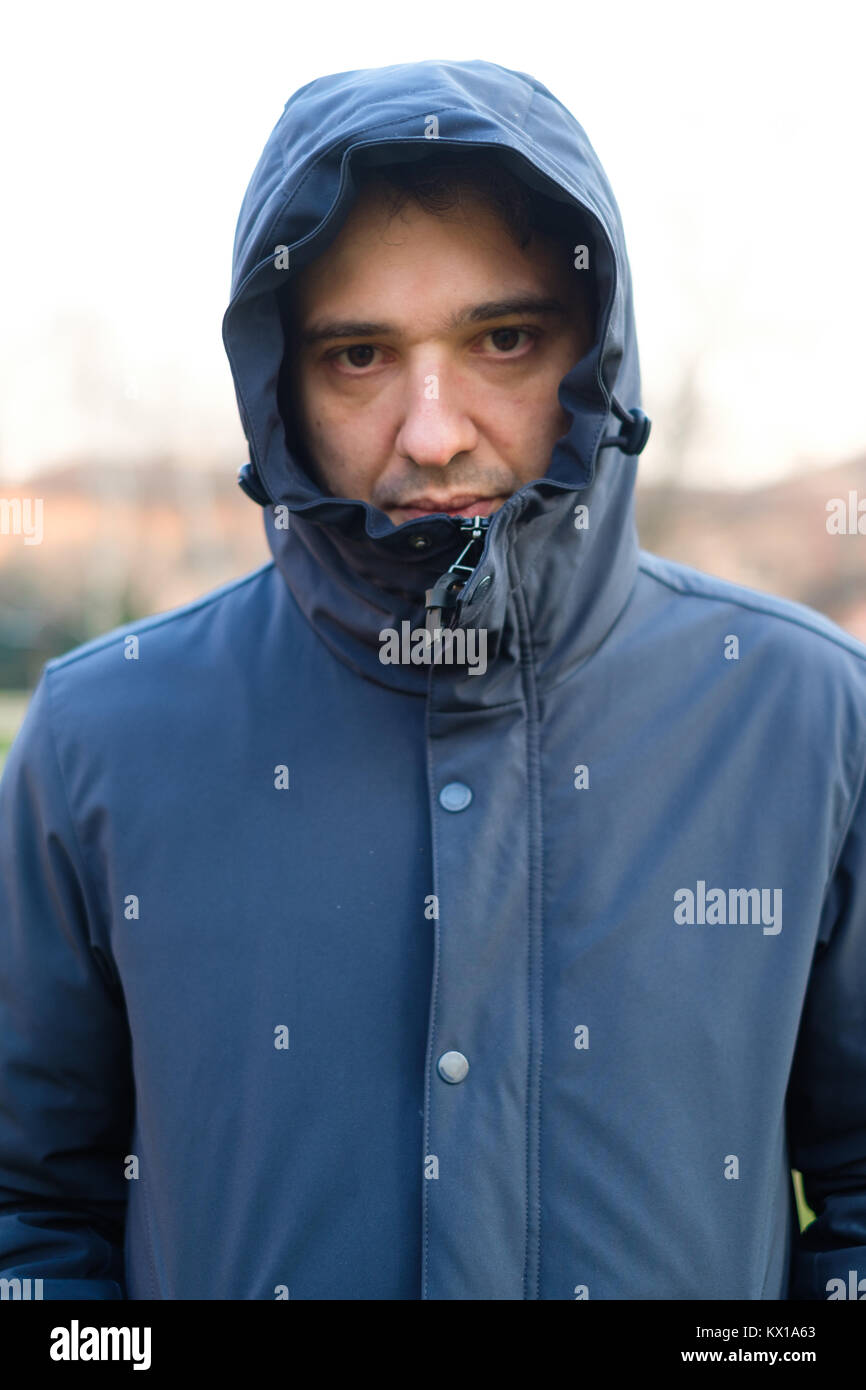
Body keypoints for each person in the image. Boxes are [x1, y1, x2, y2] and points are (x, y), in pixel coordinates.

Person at [1, 57, 864, 1302]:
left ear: (596, 358)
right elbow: (31, 1212)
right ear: (277, 388)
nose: (431, 429)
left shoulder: (808, 721)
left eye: (501, 339)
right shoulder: (98, 738)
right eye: (358, 356)